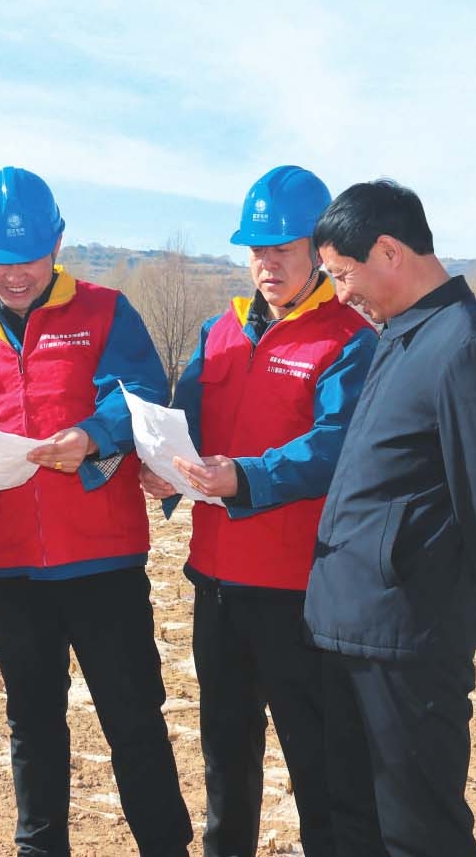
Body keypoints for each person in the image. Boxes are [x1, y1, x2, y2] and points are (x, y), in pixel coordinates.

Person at [0, 166, 192, 857]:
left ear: (57, 245)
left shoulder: (105, 311)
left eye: (29, 257)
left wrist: (92, 436)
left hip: (103, 561)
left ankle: (165, 846)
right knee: (32, 726)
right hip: (11, 570)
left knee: (133, 720)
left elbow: (140, 393)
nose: (14, 274)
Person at [139, 165, 381, 856]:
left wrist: (243, 477)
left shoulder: (348, 339)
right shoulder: (217, 331)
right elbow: (186, 422)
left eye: (282, 249)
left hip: (295, 590)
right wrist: (165, 471)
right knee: (224, 753)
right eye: (256, 250)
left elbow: (334, 446)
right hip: (215, 581)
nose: (266, 264)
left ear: (318, 250)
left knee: (318, 762)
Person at [304, 180, 476, 856]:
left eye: (342, 275)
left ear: (388, 251)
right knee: (353, 821)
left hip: (407, 635)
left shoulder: (465, 344)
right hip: (350, 625)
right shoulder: (403, 334)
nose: (339, 295)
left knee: (419, 832)